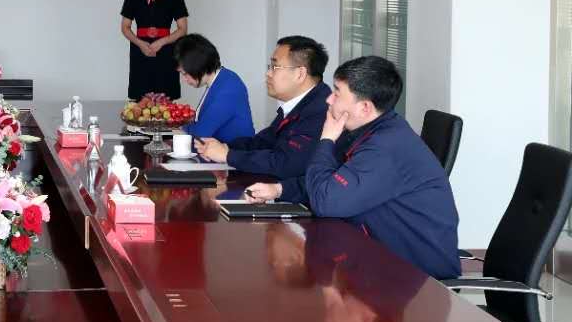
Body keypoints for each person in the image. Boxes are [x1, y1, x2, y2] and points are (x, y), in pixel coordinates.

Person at [245, 56, 461, 280]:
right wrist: (279, 189)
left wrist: (326, 140)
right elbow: (328, 180)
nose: (329, 99)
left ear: (365, 107)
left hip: (417, 277)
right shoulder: (367, 131)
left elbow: (326, 202)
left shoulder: (386, 147)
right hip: (376, 257)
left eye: (337, 93)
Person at [196, 36, 331, 180]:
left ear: (300, 74)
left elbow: (286, 164)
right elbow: (262, 143)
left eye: (275, 67)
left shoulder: (321, 111)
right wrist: (225, 147)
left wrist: (228, 155)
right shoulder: (299, 105)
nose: (268, 74)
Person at [120, 0, 189, 100]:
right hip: (140, 50)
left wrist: (161, 42)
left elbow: (182, 28)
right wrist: (140, 44)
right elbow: (125, 27)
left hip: (166, 50)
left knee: (165, 99)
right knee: (141, 100)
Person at [173, 33, 254, 143]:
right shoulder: (222, 78)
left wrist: (178, 128)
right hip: (221, 148)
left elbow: (200, 135)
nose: (185, 79)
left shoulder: (228, 89)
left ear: (196, 65)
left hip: (234, 151)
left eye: (184, 73)